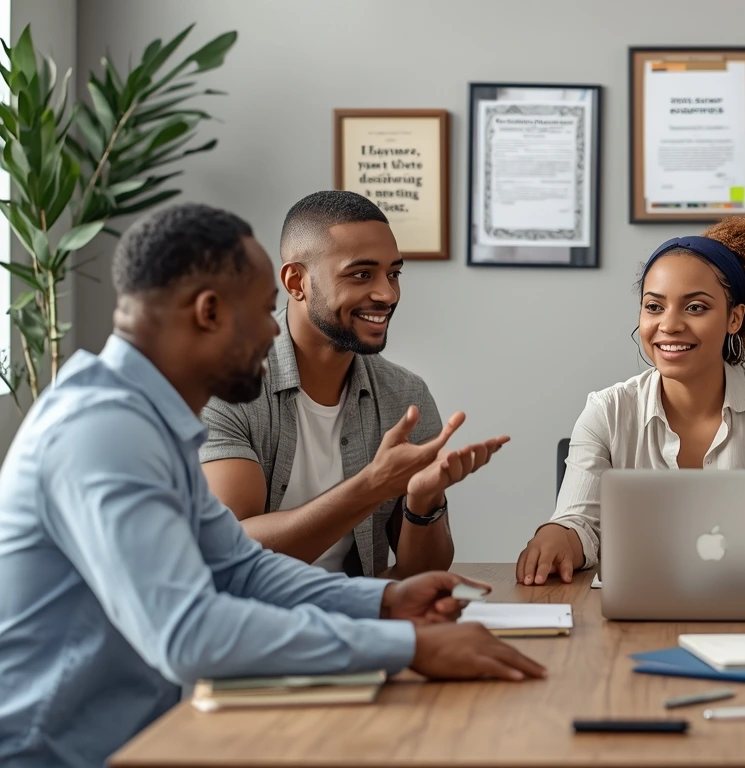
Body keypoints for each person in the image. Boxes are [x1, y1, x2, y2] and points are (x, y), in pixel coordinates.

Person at [0, 204, 544, 768]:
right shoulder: (103, 432)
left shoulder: (146, 423)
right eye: (262, 311)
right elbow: (191, 634)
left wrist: (384, 599)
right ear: (209, 312)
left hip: (136, 740)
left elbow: (239, 567)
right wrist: (409, 645)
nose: (272, 331)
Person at [515, 217, 745, 584]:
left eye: (696, 307)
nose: (669, 325)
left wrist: (707, 548)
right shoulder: (606, 411)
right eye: (654, 307)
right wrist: (559, 537)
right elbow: (578, 524)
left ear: (734, 318)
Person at [200, 191, 507, 579]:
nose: (387, 294)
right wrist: (373, 485)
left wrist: (423, 501)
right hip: (249, 625)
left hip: (358, 620)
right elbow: (230, 552)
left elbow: (422, 572)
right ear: (297, 281)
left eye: (393, 273)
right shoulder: (224, 387)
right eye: (362, 274)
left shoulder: (405, 396)